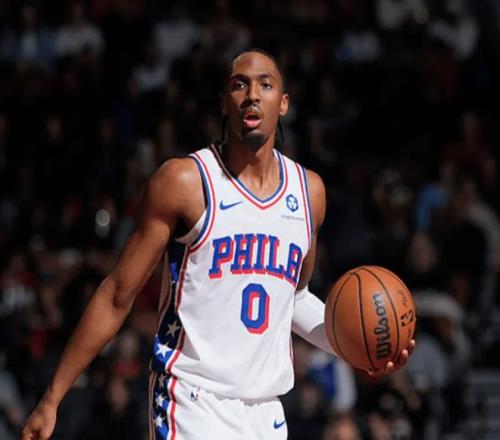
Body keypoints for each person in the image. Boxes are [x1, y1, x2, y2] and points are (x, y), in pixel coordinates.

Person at [21, 49, 415, 440]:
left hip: (265, 413)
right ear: (224, 103)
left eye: (265, 85)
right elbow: (117, 295)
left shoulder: (309, 192)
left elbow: (293, 298)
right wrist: (52, 397)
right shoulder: (184, 182)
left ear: (284, 103)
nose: (252, 95)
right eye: (240, 85)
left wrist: (359, 345)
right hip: (191, 401)